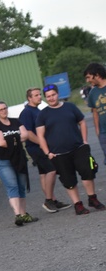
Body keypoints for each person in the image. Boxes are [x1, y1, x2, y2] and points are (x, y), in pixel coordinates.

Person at [36, 84, 105, 215]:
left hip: (78, 148)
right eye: (48, 96)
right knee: (69, 180)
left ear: (58, 94)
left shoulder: (70, 107)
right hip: (58, 154)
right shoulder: (43, 115)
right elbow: (40, 136)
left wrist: (84, 141)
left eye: (53, 95)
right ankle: (78, 204)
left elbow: (82, 122)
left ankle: (92, 198)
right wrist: (47, 153)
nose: (51, 98)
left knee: (88, 172)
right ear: (46, 98)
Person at [19, 87, 71, 213]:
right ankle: (48, 200)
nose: (39, 97)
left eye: (39, 94)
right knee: (52, 170)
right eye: (36, 95)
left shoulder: (37, 110)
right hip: (35, 148)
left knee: (44, 174)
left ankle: (52, 200)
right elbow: (28, 132)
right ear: (29, 98)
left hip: (41, 147)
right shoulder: (27, 112)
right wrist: (43, 145)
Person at [0, 101, 38, 226]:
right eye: (0, 109)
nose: (3, 111)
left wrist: (11, 139)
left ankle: (24, 214)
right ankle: (17, 215)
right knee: (12, 186)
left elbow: (25, 135)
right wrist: (16, 138)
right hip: (3, 160)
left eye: (4, 108)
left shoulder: (16, 121)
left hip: (19, 158)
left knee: (21, 186)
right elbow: (1, 143)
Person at [84, 62, 106, 165]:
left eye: (89, 77)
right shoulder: (93, 93)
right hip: (104, 133)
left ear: (97, 75)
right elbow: (95, 113)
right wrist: (98, 131)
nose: (87, 80)